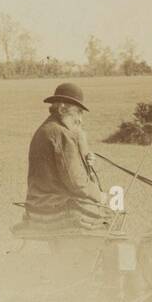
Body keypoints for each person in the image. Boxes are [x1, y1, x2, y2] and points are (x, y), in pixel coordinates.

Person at [17, 82, 111, 234]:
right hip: (55, 206)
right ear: (62, 109)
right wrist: (100, 196)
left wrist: (83, 147)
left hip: (38, 204)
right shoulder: (60, 133)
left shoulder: (48, 129)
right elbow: (76, 182)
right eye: (78, 112)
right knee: (111, 218)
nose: (81, 119)